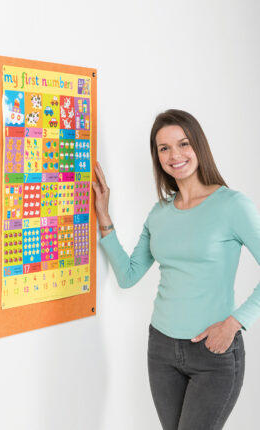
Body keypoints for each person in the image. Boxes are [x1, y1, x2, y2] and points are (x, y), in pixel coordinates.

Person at [92, 109, 260, 430]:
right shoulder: (159, 213)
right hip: (162, 350)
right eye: (164, 148)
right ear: (157, 157)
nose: (175, 155)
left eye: (183, 144)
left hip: (213, 352)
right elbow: (128, 276)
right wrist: (104, 217)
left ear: (198, 146)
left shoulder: (232, 205)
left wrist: (235, 323)